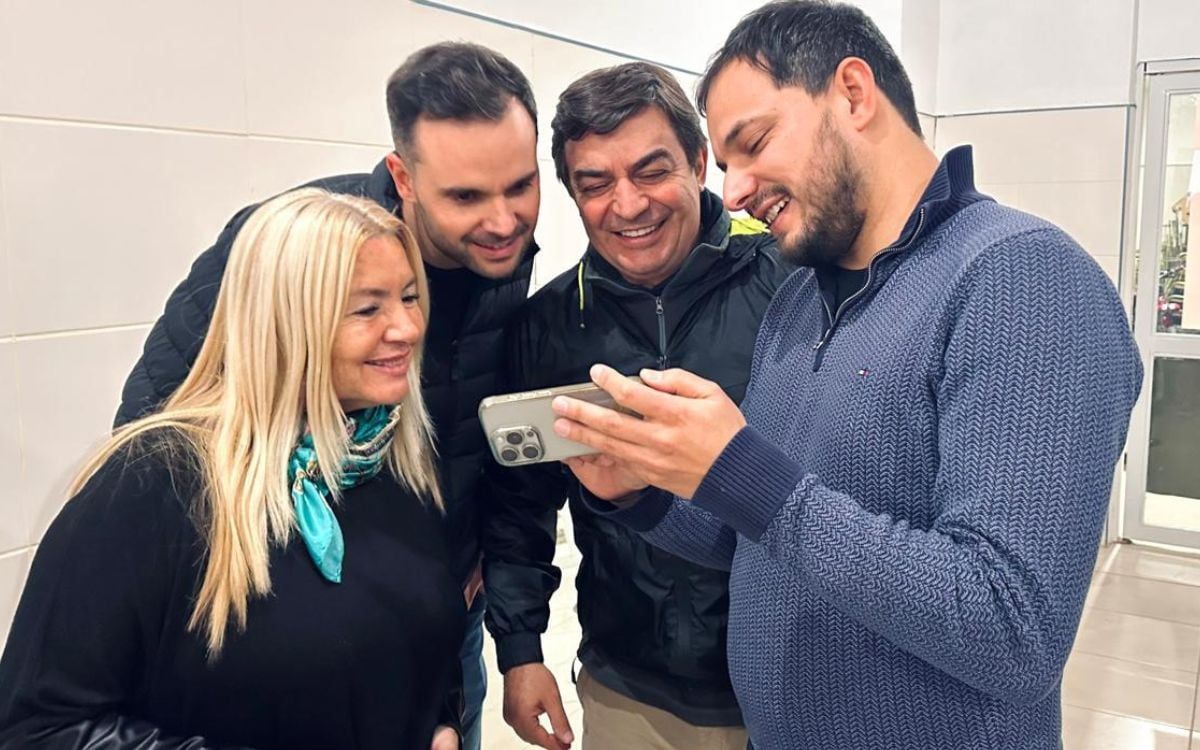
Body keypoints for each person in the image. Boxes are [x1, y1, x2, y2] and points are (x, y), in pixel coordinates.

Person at [549, 2, 1144, 748]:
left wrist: (745, 474)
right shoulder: (801, 295)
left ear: (854, 94)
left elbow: (1011, 628)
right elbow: (762, 536)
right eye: (725, 164)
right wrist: (640, 493)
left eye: (754, 143)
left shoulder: (1022, 278)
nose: (731, 192)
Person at [113, 42, 541, 750]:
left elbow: (492, 457)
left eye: (520, 187)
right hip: (280, 628)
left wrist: (491, 605)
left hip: (436, 620)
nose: (502, 221)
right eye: (466, 196)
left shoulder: (506, 263)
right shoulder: (283, 251)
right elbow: (155, 435)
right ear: (403, 176)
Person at [0, 189, 464, 749]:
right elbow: (39, 729)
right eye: (368, 308)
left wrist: (439, 723)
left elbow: (408, 650)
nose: (407, 329)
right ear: (286, 323)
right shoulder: (154, 483)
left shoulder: (388, 459)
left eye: (410, 297)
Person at [484, 62, 789, 750]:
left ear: (700, 161)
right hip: (629, 689)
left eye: (652, 171)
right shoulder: (548, 326)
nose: (627, 206)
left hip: (788, 683)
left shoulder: (792, 287)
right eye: (595, 184)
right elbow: (517, 509)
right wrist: (520, 651)